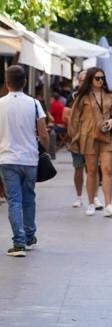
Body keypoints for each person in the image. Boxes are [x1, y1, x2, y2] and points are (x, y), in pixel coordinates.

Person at [0, 65, 49, 257]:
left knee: (14, 201)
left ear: (7, 82)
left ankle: (19, 243)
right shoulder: (35, 104)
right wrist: (45, 149)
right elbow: (43, 133)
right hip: (30, 159)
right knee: (29, 199)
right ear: (25, 82)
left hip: (6, 159)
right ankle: (30, 237)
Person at [69, 67, 112, 217]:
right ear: (90, 80)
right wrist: (75, 138)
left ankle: (108, 205)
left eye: (102, 78)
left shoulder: (110, 96)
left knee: (107, 170)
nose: (100, 81)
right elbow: (73, 119)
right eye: (97, 78)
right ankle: (91, 202)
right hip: (88, 136)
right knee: (91, 170)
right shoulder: (82, 97)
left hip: (106, 135)